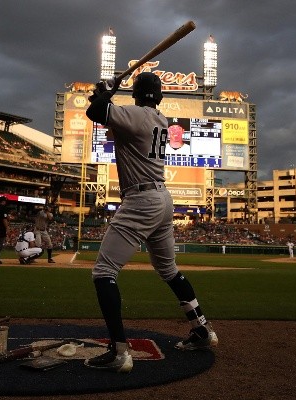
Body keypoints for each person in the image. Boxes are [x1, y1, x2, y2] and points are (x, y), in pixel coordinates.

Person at [82, 72, 217, 373]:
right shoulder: (160, 120)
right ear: (159, 97)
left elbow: (95, 112)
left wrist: (109, 89)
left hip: (141, 200)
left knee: (104, 272)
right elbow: (105, 115)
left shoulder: (138, 115)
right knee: (169, 270)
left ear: (136, 95)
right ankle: (202, 329)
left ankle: (118, 352)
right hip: (163, 200)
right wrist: (103, 93)